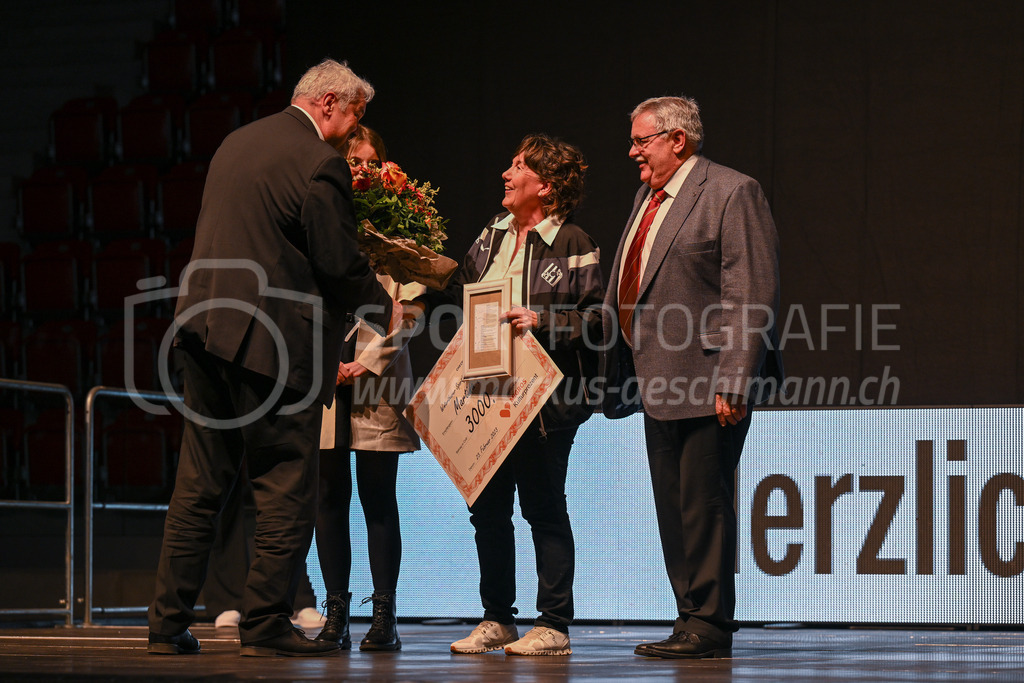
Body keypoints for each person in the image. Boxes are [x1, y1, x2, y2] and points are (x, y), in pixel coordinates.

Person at [146, 58, 401, 657]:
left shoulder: (236, 142)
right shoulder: (318, 162)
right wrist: (381, 304)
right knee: (286, 485)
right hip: (273, 344)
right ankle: (264, 623)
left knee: (199, 485)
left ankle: (166, 624)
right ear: (329, 102)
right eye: (355, 114)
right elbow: (337, 263)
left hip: (204, 331)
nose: (353, 127)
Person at [600, 95, 783, 659]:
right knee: (674, 506)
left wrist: (735, 379)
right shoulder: (647, 197)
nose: (632, 151)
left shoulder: (732, 190)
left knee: (704, 505)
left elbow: (750, 292)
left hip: (708, 378)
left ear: (677, 140)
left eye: (641, 140)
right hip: (656, 377)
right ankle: (689, 617)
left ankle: (709, 623)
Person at [410, 133, 603, 656]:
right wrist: (419, 286)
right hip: (486, 392)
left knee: (543, 507)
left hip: (543, 400)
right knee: (488, 511)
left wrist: (542, 319)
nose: (506, 174)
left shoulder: (573, 241)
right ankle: (498, 618)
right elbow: (461, 294)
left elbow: (598, 319)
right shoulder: (491, 235)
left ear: (546, 186)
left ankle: (554, 624)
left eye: (518, 167)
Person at [312, 125, 425, 652]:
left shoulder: (402, 228)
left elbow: (411, 313)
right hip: (324, 375)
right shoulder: (320, 217)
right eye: (352, 161)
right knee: (328, 496)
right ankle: (336, 612)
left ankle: (384, 615)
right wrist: (323, 361)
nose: (361, 170)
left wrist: (366, 362)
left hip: (376, 378)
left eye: (370, 162)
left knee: (378, 497)